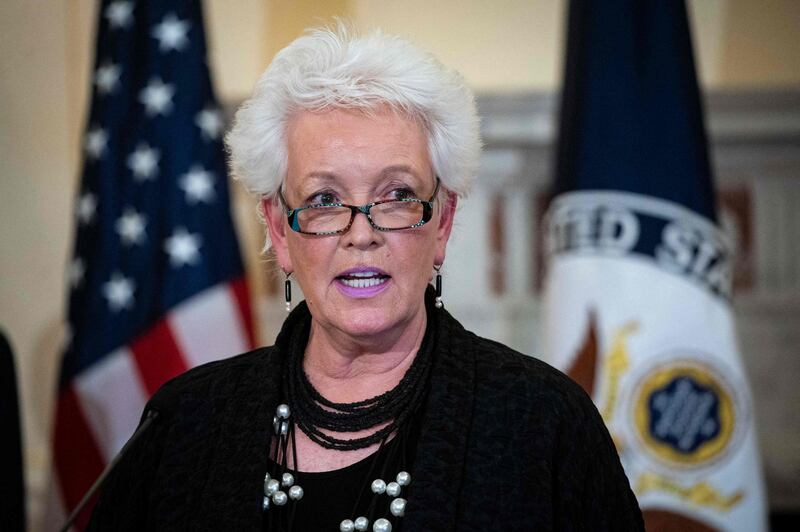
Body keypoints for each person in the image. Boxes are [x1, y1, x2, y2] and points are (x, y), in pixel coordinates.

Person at [88, 24, 643, 531]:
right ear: (280, 230)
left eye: (397, 195)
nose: (361, 233)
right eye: (325, 199)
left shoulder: (544, 425)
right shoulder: (183, 424)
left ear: (442, 222)